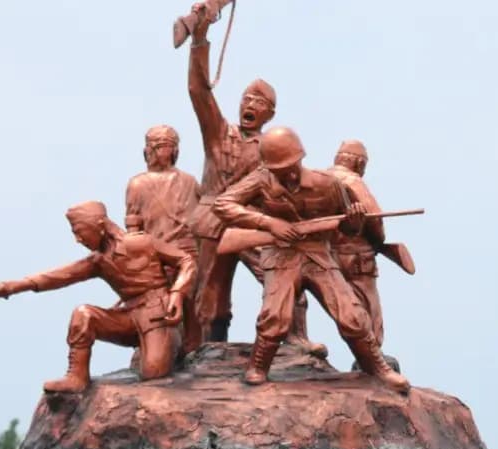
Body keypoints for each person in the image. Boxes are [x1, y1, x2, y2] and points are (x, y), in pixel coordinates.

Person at [212, 127, 408, 392]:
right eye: (280, 170)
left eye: (291, 166)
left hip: (318, 255)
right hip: (281, 254)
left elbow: (346, 229)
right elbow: (222, 204)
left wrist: (354, 221)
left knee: (350, 313)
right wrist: (269, 223)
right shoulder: (261, 180)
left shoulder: (328, 184)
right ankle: (257, 367)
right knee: (274, 315)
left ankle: (378, 368)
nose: (288, 174)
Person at [181, 1, 319, 353]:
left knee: (284, 271)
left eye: (259, 101)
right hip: (213, 220)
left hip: (254, 223)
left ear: (269, 113)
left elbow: (291, 185)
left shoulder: (273, 148)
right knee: (209, 289)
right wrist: (200, 40)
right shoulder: (218, 133)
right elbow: (199, 91)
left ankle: (294, 338)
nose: (250, 104)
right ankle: (207, 349)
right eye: (247, 98)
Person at [0, 202, 195, 393]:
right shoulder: (98, 261)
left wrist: (177, 293)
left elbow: (186, 261)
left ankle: (170, 348)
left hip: (158, 317)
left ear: (99, 226)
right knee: (84, 314)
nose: (78, 240)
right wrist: (15, 286)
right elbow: (59, 276)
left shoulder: (141, 243)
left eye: (79, 232)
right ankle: (77, 377)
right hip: (128, 318)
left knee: (153, 375)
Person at [124, 125, 200, 347]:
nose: (164, 152)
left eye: (167, 146)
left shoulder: (189, 181)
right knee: (163, 309)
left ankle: (192, 349)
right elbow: (133, 227)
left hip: (185, 254)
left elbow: (201, 219)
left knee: (191, 306)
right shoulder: (137, 184)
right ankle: (164, 350)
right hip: (156, 257)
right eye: (160, 147)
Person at [327, 139, 387, 348]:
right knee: (368, 307)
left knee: (341, 307)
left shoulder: (320, 179)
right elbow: (375, 220)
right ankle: (373, 355)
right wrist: (379, 240)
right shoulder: (353, 181)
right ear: (359, 164)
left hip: (326, 256)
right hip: (357, 257)